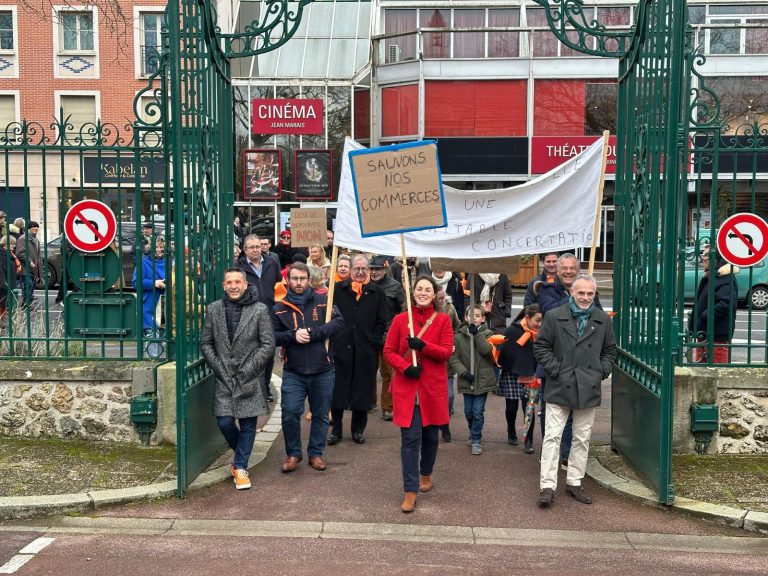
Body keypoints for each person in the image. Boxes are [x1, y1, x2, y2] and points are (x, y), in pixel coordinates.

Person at [534, 273, 617, 507]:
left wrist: (601, 370)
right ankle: (547, 486)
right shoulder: (553, 316)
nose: (585, 297)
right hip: (559, 383)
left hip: (587, 385)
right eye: (581, 292)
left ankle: (574, 481)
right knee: (552, 437)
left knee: (581, 438)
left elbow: (610, 350)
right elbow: (541, 347)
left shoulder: (602, 319)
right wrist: (556, 369)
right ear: (572, 292)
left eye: (590, 293)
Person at [383, 275, 454, 513]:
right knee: (410, 440)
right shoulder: (401, 320)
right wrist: (405, 367)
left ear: (435, 294)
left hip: (432, 389)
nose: (422, 292)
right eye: (419, 289)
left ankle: (426, 473)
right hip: (408, 388)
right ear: (412, 292)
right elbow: (389, 351)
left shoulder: (443, 320)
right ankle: (410, 490)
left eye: (427, 289)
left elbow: (445, 352)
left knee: (431, 438)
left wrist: (423, 347)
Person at [201, 268, 275, 490]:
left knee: (248, 424)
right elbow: (206, 343)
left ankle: (240, 466)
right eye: (229, 282)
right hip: (224, 377)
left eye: (237, 282)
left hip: (249, 377)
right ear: (224, 286)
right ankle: (241, 453)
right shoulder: (214, 309)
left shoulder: (260, 310)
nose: (234, 286)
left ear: (245, 284)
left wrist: (249, 369)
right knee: (224, 421)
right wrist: (219, 367)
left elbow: (268, 344)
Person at [273, 262, 344, 473]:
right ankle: (293, 453)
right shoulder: (279, 308)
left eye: (302, 278)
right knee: (289, 412)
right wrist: (292, 336)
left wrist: (314, 333)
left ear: (309, 279)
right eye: (294, 278)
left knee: (321, 414)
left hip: (323, 368)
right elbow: (272, 336)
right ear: (288, 280)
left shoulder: (324, 300)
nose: (298, 282)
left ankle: (316, 453)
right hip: (294, 371)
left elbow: (339, 323)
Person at [330, 254, 387, 444]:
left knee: (362, 390)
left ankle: (358, 430)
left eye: (364, 269)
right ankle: (336, 430)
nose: (361, 272)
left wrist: (374, 340)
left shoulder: (377, 293)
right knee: (337, 389)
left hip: (365, 349)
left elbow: (382, 320)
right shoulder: (337, 289)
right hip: (341, 347)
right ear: (351, 269)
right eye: (357, 269)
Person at [236, 234, 282, 402]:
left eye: (258, 246)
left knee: (268, 353)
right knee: (250, 352)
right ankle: (251, 388)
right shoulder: (239, 267)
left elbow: (278, 284)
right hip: (248, 315)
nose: (256, 249)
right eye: (251, 247)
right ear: (245, 250)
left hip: (270, 313)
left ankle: (265, 385)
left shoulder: (272, 263)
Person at [449, 303, 496, 455]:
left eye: (477, 316)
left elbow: (487, 351)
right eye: (471, 315)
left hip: (482, 380)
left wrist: (477, 334)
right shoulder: (458, 335)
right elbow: (454, 358)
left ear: (483, 319)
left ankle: (476, 439)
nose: (473, 318)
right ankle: (472, 431)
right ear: (465, 317)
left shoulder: (489, 334)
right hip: (467, 379)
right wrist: (463, 373)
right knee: (468, 412)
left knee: (477, 411)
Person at [498, 303, 542, 454]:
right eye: (537, 320)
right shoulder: (513, 330)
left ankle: (528, 439)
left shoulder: (542, 333)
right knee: (511, 408)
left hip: (531, 374)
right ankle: (511, 429)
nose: (540, 324)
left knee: (528, 408)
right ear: (528, 318)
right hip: (512, 373)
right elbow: (504, 352)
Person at [369, 255, 406, 420]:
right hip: (368, 335)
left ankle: (388, 407)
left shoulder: (395, 286)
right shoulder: (364, 285)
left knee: (388, 373)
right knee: (368, 371)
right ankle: (369, 402)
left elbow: (404, 309)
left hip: (388, 336)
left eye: (378, 269)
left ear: (385, 269)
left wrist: (397, 329)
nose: (374, 272)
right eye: (372, 269)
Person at [690, 248, 738, 364]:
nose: (703, 259)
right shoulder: (714, 276)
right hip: (705, 333)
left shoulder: (725, 278)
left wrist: (704, 316)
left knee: (716, 370)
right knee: (701, 371)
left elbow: (726, 304)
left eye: (706, 256)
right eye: (702, 255)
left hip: (716, 336)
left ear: (716, 259)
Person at [435, 286, 460, 442]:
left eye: (443, 297)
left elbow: (457, 325)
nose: (442, 300)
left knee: (449, 395)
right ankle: (439, 424)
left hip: (447, 356)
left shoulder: (450, 308)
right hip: (431, 356)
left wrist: (453, 340)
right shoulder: (429, 312)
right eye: (439, 298)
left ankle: (445, 420)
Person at [133, 235, 166, 333]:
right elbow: (136, 283)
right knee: (150, 333)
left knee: (161, 331)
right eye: (156, 247)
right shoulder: (143, 261)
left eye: (161, 247)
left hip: (163, 301)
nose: (159, 250)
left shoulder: (168, 261)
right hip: (148, 302)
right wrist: (154, 283)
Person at [14, 220, 42, 307]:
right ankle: (27, 305)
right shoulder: (23, 238)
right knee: (28, 286)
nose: (36, 228)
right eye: (34, 226)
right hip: (25, 268)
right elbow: (20, 253)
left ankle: (25, 303)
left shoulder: (36, 239)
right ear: (29, 228)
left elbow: (38, 255)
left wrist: (39, 268)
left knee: (31, 287)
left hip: (34, 269)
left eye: (37, 227)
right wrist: (29, 261)